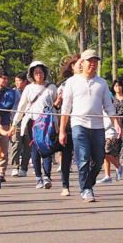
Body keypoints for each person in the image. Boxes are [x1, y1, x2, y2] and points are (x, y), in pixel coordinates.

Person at [59, 49, 120, 203]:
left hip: (98, 126)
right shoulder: (72, 82)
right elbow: (65, 108)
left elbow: (109, 106)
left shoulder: (102, 83)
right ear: (82, 63)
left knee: (99, 158)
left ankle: (88, 182)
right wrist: (62, 131)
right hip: (79, 125)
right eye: (90, 61)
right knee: (83, 157)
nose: (93, 64)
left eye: (95, 62)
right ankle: (86, 189)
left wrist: (116, 123)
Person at [12, 60, 57, 191]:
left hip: (48, 122)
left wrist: (57, 125)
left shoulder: (51, 88)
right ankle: (38, 177)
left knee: (47, 148)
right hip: (32, 122)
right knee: (36, 149)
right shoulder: (29, 88)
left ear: (45, 73)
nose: (38, 74)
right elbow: (21, 107)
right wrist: (15, 123)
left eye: (41, 72)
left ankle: (47, 176)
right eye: (36, 72)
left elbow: (55, 107)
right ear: (32, 74)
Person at [54, 55, 81, 195]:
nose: (81, 66)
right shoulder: (65, 85)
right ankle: (65, 185)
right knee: (66, 155)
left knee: (87, 155)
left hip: (85, 123)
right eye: (78, 63)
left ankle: (87, 184)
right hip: (69, 124)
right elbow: (58, 107)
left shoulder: (89, 81)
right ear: (72, 67)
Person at [0, 72, 16, 182]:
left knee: (4, 147)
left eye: (6, 78)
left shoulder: (10, 92)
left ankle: (1, 171)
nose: (4, 81)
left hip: (4, 121)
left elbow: (8, 104)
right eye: (2, 78)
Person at [9, 72, 28, 177]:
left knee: (27, 144)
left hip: (28, 120)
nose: (17, 83)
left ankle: (24, 167)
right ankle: (15, 166)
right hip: (16, 120)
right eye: (16, 81)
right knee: (16, 143)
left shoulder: (29, 91)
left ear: (25, 82)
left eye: (19, 81)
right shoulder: (12, 92)